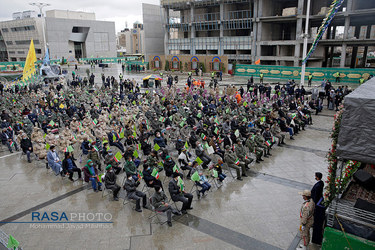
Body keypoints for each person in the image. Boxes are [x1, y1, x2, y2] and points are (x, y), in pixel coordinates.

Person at [311, 172, 325, 245]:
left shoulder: (318, 186)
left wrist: (314, 202)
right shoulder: (321, 183)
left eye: (315, 176)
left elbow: (316, 195)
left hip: (316, 202)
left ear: (317, 177)